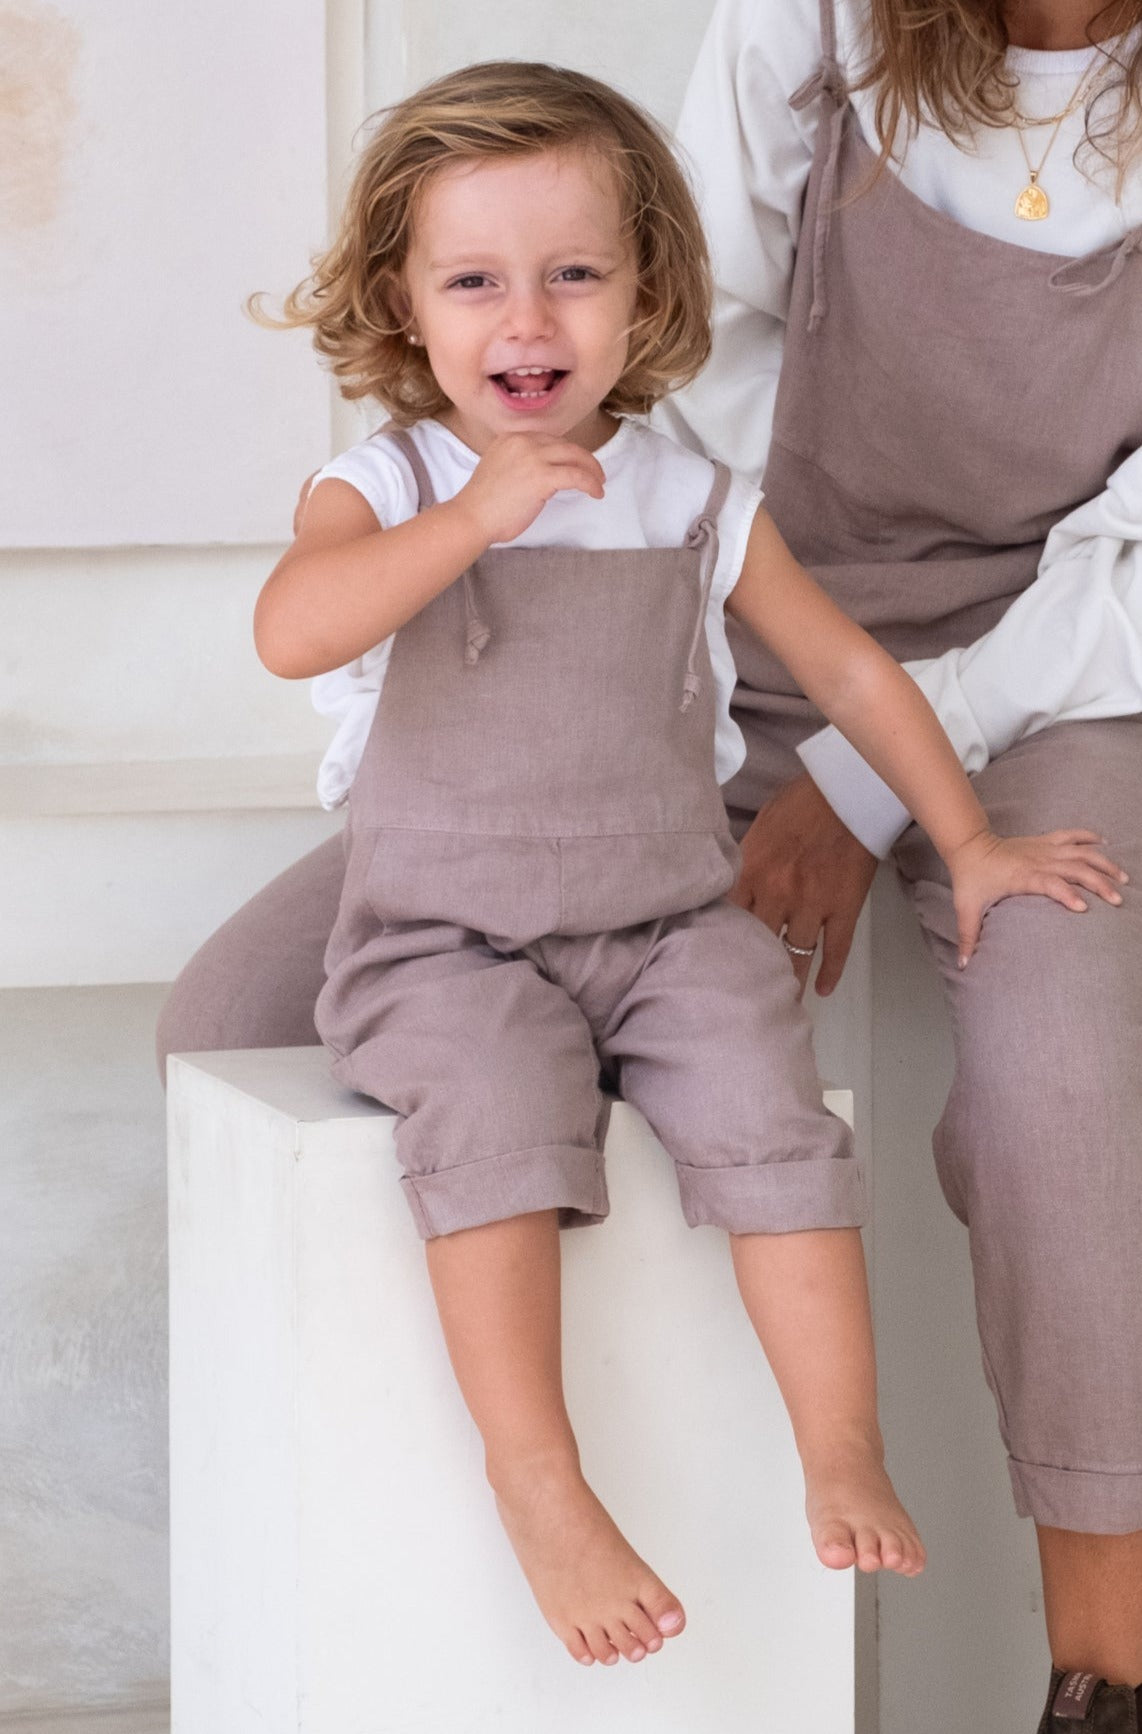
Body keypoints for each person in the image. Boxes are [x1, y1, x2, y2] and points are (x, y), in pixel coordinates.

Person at [240, 61, 1123, 1672]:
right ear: (403, 302)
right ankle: (539, 1475)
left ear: (646, 287)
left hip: (657, 925)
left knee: (769, 1105)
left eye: (576, 273)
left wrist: (971, 839)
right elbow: (290, 626)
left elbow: (854, 676)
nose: (530, 318)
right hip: (444, 942)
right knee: (497, 1112)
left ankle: (837, 1437)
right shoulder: (390, 485)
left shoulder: (692, 496)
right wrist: (469, 523)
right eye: (476, 281)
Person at [654, 1, 1142, 1728]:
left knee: (1066, 1057)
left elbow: (1124, 571)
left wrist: (870, 780)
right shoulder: (817, 20)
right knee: (260, 999)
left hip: (1061, 670)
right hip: (753, 619)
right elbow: (670, 342)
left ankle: (1102, 1676)